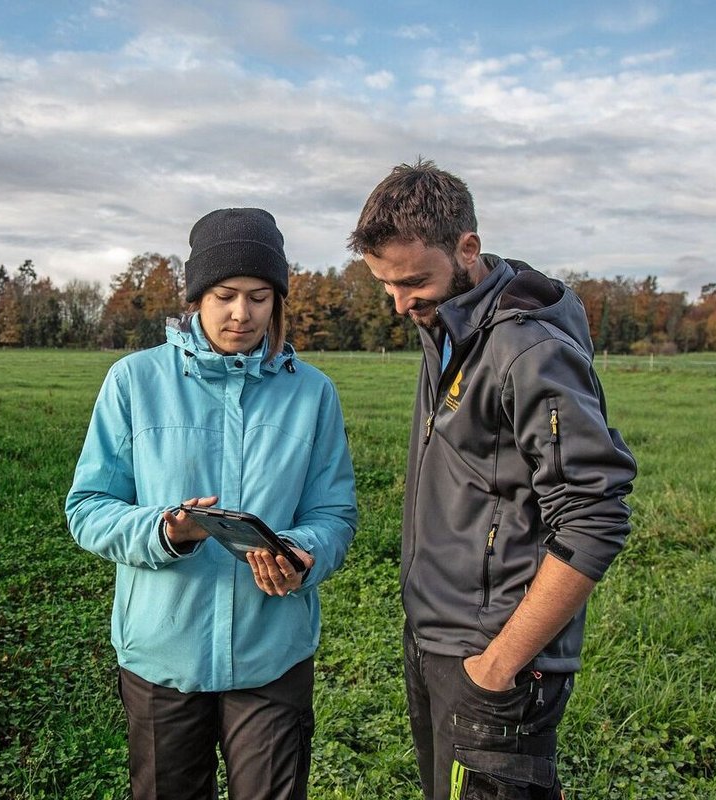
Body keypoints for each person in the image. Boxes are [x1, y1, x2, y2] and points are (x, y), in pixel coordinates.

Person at [347, 161, 637, 800]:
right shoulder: (448, 323)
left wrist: (498, 665)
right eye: (386, 285)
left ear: (467, 248)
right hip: (437, 640)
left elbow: (595, 517)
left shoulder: (529, 351)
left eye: (413, 281)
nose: (400, 303)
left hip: (495, 656)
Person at [65, 207, 358, 800]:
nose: (241, 314)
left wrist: (304, 553)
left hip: (272, 652)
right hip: (162, 653)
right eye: (225, 296)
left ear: (277, 301)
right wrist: (165, 530)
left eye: (258, 297)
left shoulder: (313, 393)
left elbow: (334, 513)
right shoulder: (133, 381)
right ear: (196, 296)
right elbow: (88, 507)